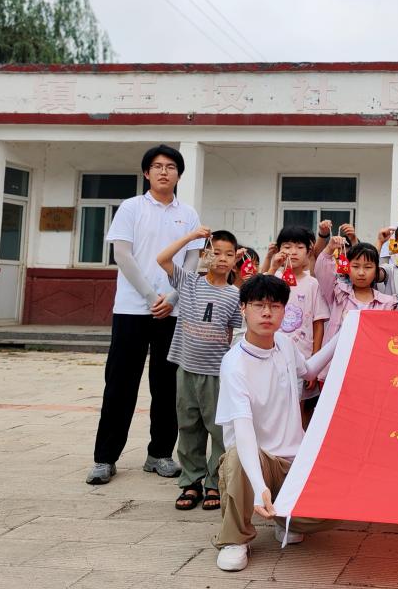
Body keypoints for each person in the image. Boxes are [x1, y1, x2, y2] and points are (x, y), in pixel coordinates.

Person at [86, 144, 204, 485]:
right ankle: (105, 458)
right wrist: (153, 297)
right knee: (120, 384)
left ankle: (160, 454)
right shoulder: (131, 207)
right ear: (146, 173)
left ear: (179, 174)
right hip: (132, 309)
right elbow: (123, 255)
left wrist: (174, 296)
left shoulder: (189, 214)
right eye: (157, 166)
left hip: (174, 311)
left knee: (167, 387)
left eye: (171, 167)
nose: (164, 171)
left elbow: (192, 260)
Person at [213, 274, 340, 571]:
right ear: (243, 308)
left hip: (294, 462)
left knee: (342, 503)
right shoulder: (234, 364)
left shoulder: (283, 342)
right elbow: (243, 432)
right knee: (236, 457)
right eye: (259, 305)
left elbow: (309, 370)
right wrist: (260, 488)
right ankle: (235, 539)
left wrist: (342, 336)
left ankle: (286, 519)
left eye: (275, 306)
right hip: (256, 463)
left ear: (284, 310)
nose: (267, 313)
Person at [157, 226, 241, 511]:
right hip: (186, 370)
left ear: (235, 259)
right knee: (188, 426)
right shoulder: (189, 282)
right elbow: (162, 259)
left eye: (228, 254)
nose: (222, 258)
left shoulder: (234, 295)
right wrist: (191, 238)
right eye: (216, 252)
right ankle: (190, 482)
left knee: (218, 430)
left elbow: (233, 335)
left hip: (216, 375)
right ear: (205, 255)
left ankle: (214, 482)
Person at [264, 226, 330, 429]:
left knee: (300, 410)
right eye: (287, 246)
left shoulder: (312, 284)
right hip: (272, 356)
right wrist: (272, 267)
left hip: (302, 360)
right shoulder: (273, 280)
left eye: (299, 247)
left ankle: (299, 448)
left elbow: (318, 324)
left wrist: (314, 364)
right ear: (278, 250)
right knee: (272, 407)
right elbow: (257, 296)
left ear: (309, 252)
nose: (293, 252)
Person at [315, 238, 397, 383]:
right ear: (347, 268)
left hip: (369, 371)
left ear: (377, 270)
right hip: (335, 369)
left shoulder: (386, 304)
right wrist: (329, 248)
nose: (361, 272)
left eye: (368, 267)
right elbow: (322, 271)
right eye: (355, 266)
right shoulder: (338, 293)